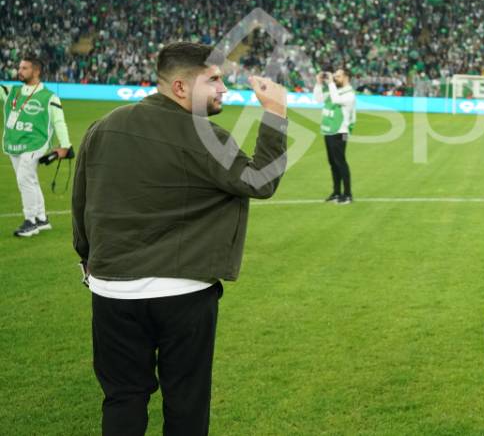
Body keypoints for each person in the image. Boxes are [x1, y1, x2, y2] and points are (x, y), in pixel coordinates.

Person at [72, 42, 289, 435]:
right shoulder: (204, 135)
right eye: (214, 79)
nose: (224, 88)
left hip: (110, 290)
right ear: (180, 88)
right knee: (185, 401)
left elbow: (81, 202)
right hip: (182, 291)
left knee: (122, 397)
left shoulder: (103, 126)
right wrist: (274, 112)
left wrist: (87, 259)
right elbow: (261, 179)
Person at [4, 54, 71, 238]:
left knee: (24, 179)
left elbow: (59, 122)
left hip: (35, 144)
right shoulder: (12, 92)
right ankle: (41, 218)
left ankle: (30, 221)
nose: (20, 71)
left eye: (24, 68)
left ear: (36, 71)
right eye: (19, 68)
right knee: (30, 180)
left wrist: (65, 145)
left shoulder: (49, 97)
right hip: (15, 143)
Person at [314, 68, 356, 204]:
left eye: (338, 76)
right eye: (335, 76)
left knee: (341, 162)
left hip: (341, 132)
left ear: (346, 77)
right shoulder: (333, 89)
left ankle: (348, 194)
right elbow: (318, 99)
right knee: (333, 163)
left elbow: (336, 100)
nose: (335, 78)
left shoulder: (349, 94)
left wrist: (331, 82)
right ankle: (337, 192)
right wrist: (318, 83)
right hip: (329, 130)